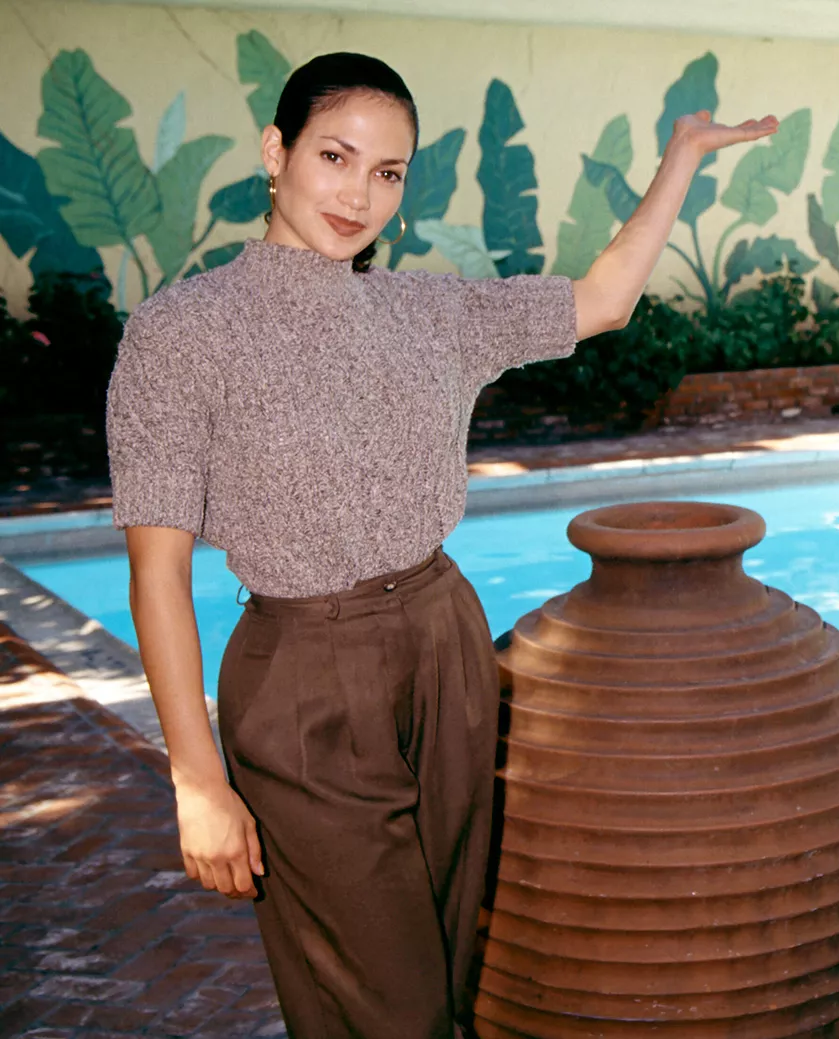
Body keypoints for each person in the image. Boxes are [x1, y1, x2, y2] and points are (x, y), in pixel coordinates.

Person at [103, 50, 777, 1039]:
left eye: (387, 175)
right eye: (335, 157)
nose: (358, 195)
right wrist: (198, 783)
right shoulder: (179, 334)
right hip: (303, 684)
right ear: (275, 151)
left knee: (434, 975)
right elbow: (156, 574)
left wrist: (680, 159)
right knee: (399, 1004)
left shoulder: (432, 312)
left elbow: (602, 300)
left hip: (446, 647)